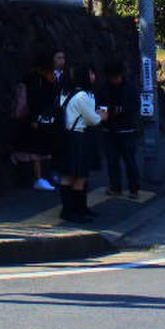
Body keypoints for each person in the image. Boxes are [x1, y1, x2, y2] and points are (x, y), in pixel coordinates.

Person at [55, 64, 106, 225]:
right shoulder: (83, 96)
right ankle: (76, 210)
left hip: (66, 137)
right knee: (79, 176)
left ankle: (71, 209)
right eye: (90, 73)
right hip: (78, 137)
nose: (93, 76)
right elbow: (94, 119)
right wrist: (102, 115)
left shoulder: (67, 93)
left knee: (68, 175)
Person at [10, 49, 59, 189]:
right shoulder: (36, 78)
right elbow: (34, 100)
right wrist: (34, 118)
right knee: (36, 149)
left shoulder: (38, 77)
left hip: (40, 116)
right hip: (35, 117)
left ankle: (45, 176)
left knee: (42, 147)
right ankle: (40, 177)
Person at [98, 59, 142, 198]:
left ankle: (133, 189)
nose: (114, 80)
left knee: (129, 161)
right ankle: (115, 187)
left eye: (116, 77)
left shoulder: (129, 87)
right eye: (111, 77)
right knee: (112, 161)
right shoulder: (104, 88)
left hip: (127, 129)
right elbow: (99, 105)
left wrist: (121, 110)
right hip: (109, 130)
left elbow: (135, 106)